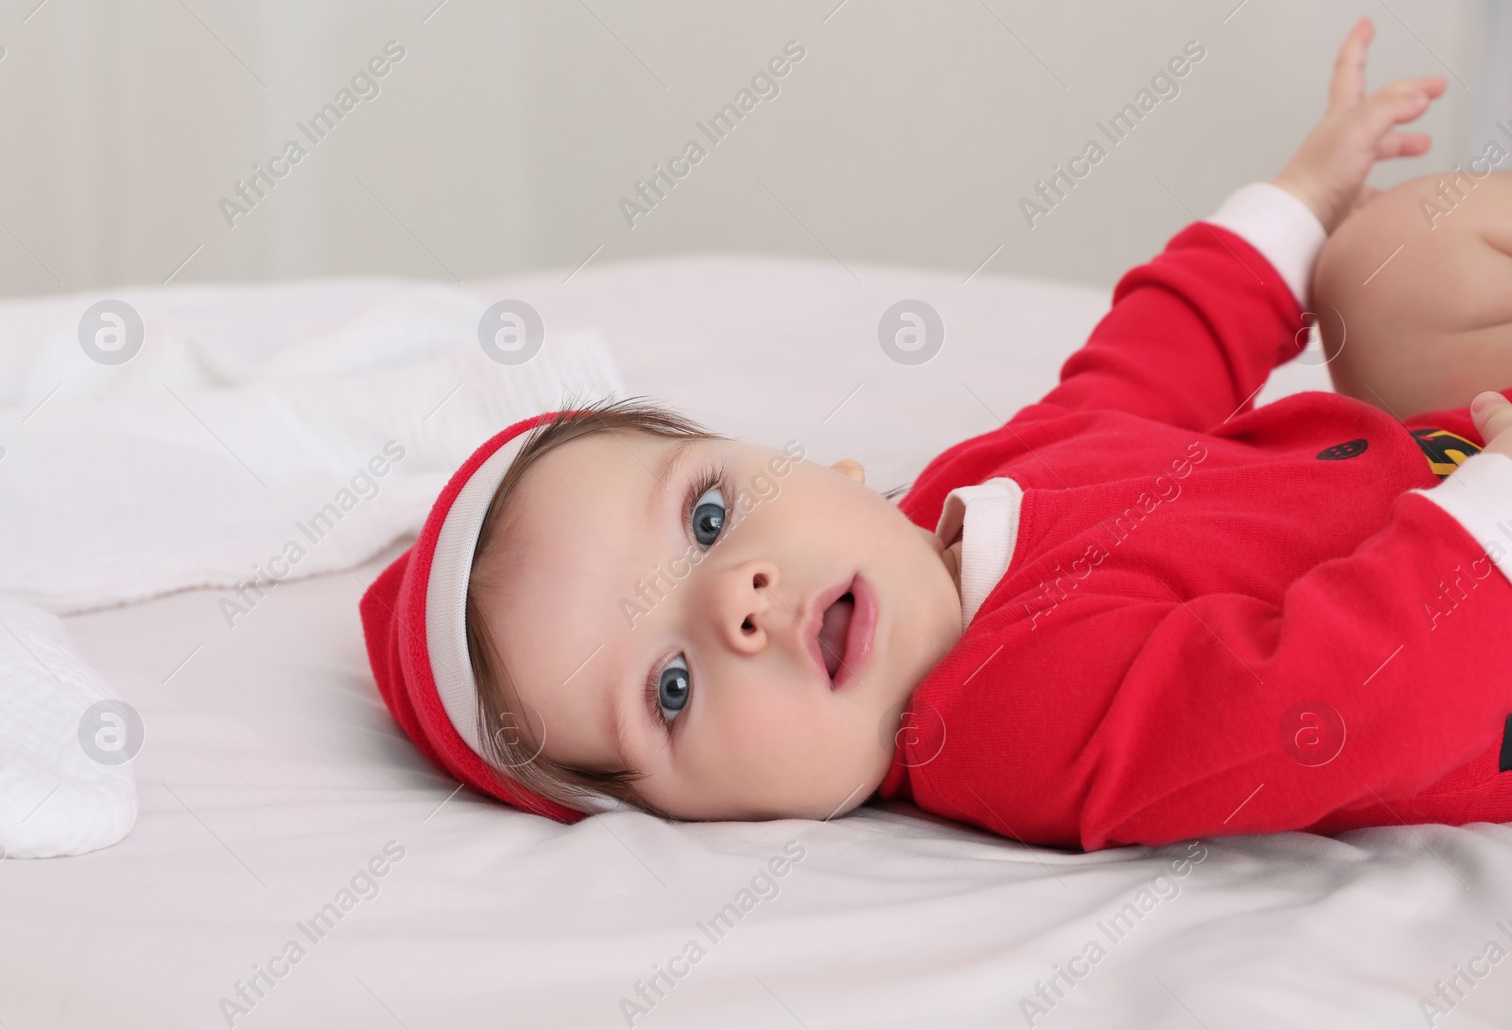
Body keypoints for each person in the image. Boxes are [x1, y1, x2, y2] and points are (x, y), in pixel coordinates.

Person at [362, 18, 1512, 849]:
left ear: (815, 465)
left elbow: (1135, 376)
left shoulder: (962, 501)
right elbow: (1325, 704)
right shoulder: (1007, 721)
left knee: (1390, 260)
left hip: (1437, 453)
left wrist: (1295, 205)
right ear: (695, 816)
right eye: (668, 687)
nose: (736, 602)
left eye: (708, 517)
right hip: (1478, 624)